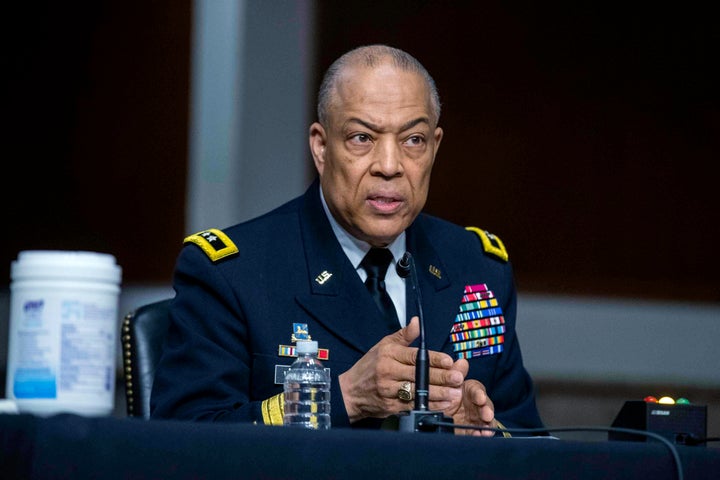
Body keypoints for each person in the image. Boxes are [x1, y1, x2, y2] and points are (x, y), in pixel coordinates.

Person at [150, 44, 544, 434]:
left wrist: (487, 431)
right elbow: (183, 440)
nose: (389, 166)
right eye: (362, 138)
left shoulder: (477, 267)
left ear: (435, 148)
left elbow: (532, 441)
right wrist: (345, 397)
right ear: (321, 147)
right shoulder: (234, 273)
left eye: (413, 141)